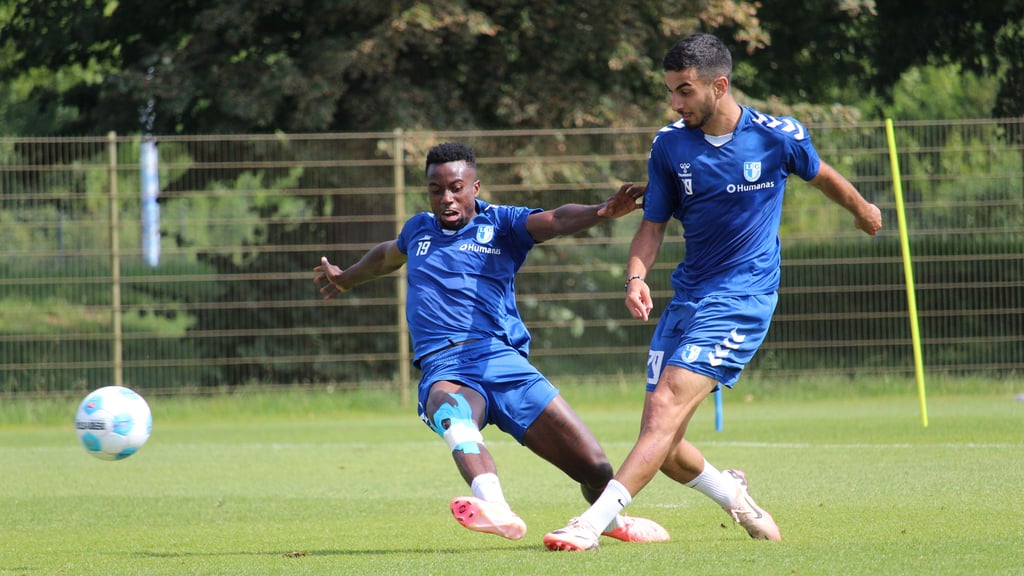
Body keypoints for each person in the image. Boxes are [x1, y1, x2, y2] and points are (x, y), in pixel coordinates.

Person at [543, 33, 883, 551]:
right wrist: (636, 277)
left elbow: (821, 175)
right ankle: (737, 498)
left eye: (684, 91)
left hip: (743, 299)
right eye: (670, 92)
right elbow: (652, 225)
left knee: (662, 415)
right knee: (666, 442)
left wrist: (862, 210)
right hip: (688, 299)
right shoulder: (669, 145)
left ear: (718, 86)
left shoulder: (777, 136)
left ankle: (590, 524)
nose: (675, 104)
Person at [314, 141, 670, 544]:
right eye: (436, 189)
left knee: (596, 469)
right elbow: (386, 257)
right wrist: (347, 278)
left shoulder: (501, 223)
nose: (446, 198)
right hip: (446, 366)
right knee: (448, 410)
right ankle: (496, 508)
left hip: (503, 362)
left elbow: (554, 220)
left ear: (475, 187)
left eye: (456, 188)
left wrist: (600, 211)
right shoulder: (417, 230)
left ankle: (610, 521)